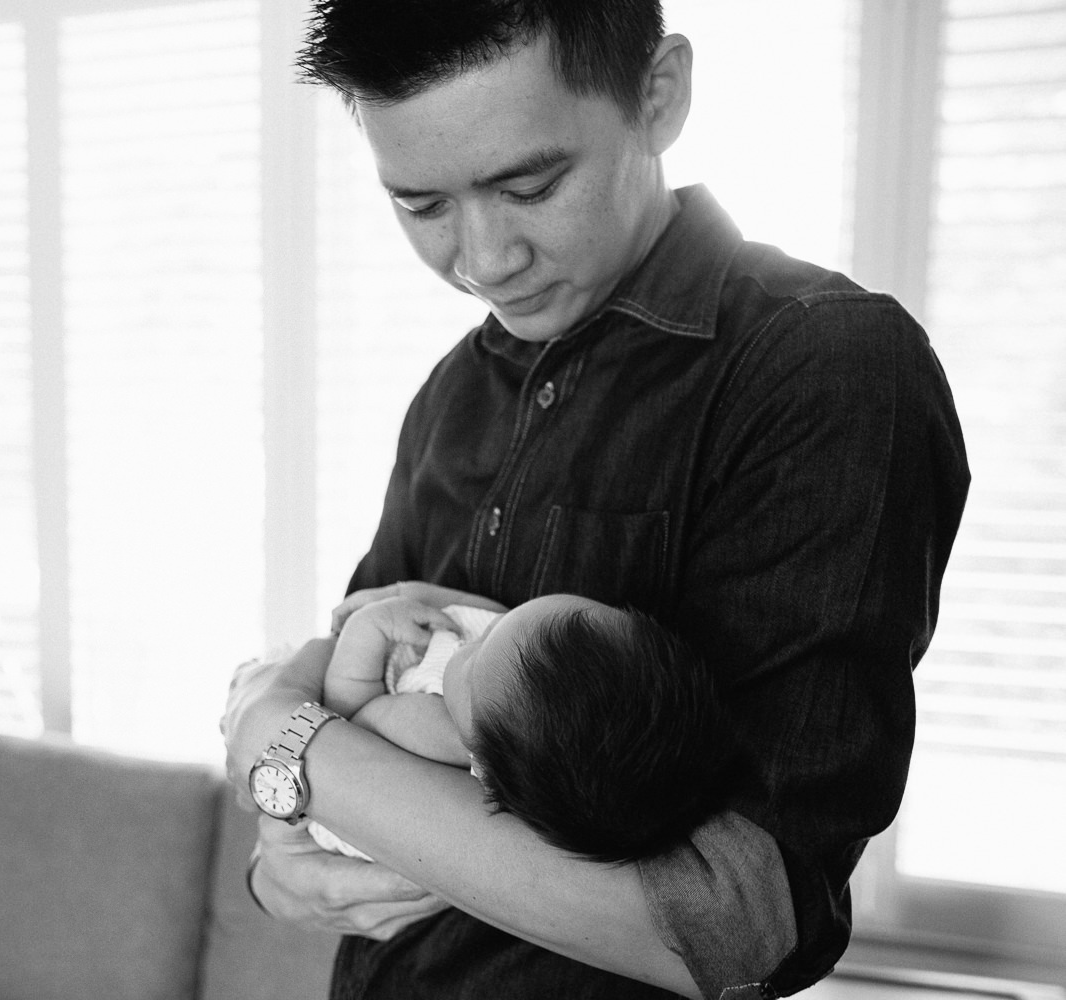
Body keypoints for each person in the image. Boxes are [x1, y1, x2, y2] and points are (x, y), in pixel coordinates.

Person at [221, 1, 969, 998]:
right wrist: (281, 864)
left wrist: (270, 731)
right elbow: (333, 716)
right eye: (422, 205)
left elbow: (736, 921)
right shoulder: (450, 395)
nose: (483, 260)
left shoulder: (823, 368)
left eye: (530, 184)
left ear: (659, 95)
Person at [306, 585, 733, 866]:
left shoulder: (442, 731)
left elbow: (351, 715)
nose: (482, 629)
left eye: (474, 656)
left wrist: (371, 626)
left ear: (482, 760)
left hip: (323, 786)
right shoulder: (517, 680)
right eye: (512, 620)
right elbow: (483, 616)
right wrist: (407, 593)